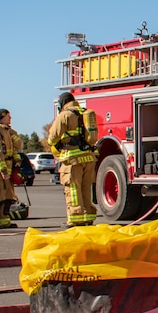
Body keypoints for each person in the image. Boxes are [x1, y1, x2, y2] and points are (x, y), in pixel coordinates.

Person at [48, 92, 98, 227]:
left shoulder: (65, 115)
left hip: (72, 159)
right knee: (85, 188)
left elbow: (52, 138)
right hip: (88, 158)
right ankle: (88, 216)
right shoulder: (85, 113)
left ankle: (76, 218)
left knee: (73, 189)